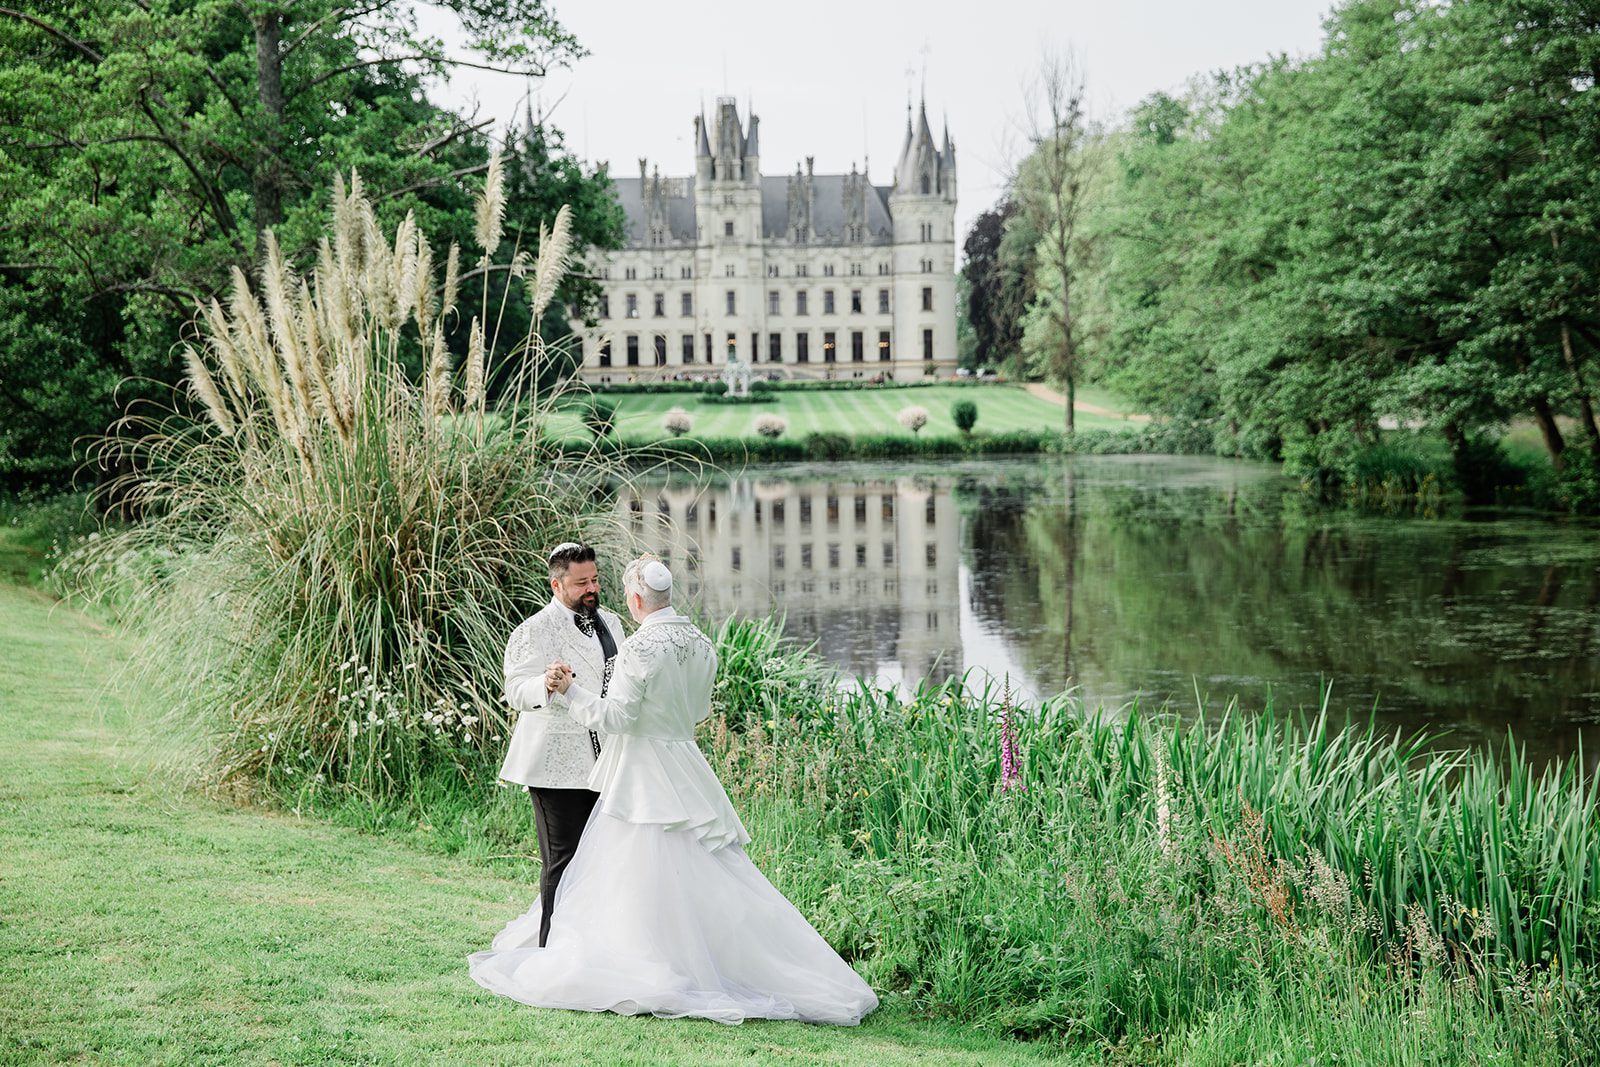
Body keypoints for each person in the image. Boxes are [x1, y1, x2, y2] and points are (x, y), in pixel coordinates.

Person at [469, 557, 878, 1026]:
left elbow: (616, 718)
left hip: (641, 770)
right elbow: (698, 710)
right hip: (684, 764)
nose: (595, 588)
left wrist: (571, 693)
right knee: (688, 868)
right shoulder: (702, 642)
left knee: (633, 869)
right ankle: (695, 958)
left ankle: (641, 960)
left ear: (635, 599)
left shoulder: (638, 645)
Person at [497, 542, 626, 948]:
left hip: (608, 761)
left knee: (603, 860)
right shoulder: (533, 630)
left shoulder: (612, 623)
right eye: (581, 583)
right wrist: (546, 683)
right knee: (563, 859)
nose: (592, 589)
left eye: (595, 580)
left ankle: (590, 950)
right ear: (556, 585)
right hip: (554, 765)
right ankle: (549, 950)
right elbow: (515, 690)